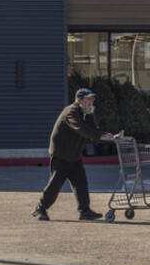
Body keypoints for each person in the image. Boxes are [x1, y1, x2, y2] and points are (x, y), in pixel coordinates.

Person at [32, 88, 114, 221]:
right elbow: (82, 129)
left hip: (74, 156)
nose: (91, 102)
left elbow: (93, 129)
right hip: (61, 155)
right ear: (80, 100)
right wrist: (100, 136)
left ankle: (85, 211)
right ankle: (40, 208)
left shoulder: (87, 113)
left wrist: (108, 136)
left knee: (81, 184)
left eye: (92, 99)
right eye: (88, 99)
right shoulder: (71, 112)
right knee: (55, 185)